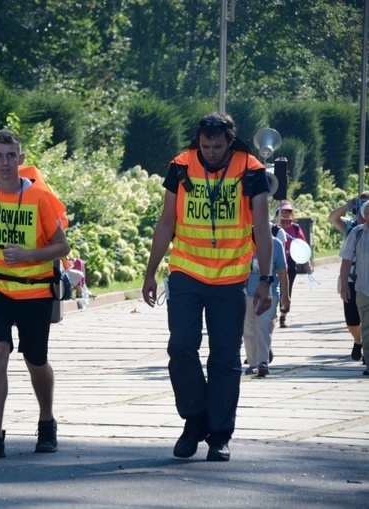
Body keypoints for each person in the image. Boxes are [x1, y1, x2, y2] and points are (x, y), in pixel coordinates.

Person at [142, 112, 272, 462]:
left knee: (225, 359)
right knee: (181, 347)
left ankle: (219, 435)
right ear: (197, 142)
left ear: (231, 142)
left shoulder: (252, 170)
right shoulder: (181, 166)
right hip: (186, 272)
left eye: (217, 146)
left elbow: (262, 226)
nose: (210, 152)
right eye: (205, 146)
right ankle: (195, 420)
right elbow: (167, 220)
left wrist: (266, 279)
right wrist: (150, 272)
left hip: (231, 278)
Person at [0, 129, 70, 459]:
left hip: (35, 292)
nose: (5, 162)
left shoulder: (40, 198)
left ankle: (47, 420)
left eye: (11, 156)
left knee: (36, 361)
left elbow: (62, 246)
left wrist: (28, 255)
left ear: (21, 159)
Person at [243, 229, 289, 377]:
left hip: (269, 293)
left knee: (263, 325)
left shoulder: (276, 244)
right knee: (249, 330)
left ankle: (263, 362)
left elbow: (282, 272)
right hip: (246, 293)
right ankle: (253, 364)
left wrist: (285, 296)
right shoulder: (243, 242)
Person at [329, 192, 369, 360]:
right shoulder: (353, 228)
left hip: (363, 280)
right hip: (354, 281)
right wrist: (348, 205)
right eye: (362, 205)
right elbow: (333, 218)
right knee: (353, 319)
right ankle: (358, 340)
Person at [339, 201, 369, 376]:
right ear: (364, 215)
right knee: (366, 326)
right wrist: (344, 286)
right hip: (363, 288)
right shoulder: (356, 234)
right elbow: (346, 261)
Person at [275, 200, 312, 328]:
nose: (285, 214)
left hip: (290, 262)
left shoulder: (295, 228)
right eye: (283, 211)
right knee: (274, 288)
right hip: (274, 261)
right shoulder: (273, 226)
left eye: (288, 211)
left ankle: (283, 315)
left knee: (287, 289)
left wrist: (308, 264)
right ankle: (272, 314)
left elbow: (303, 246)